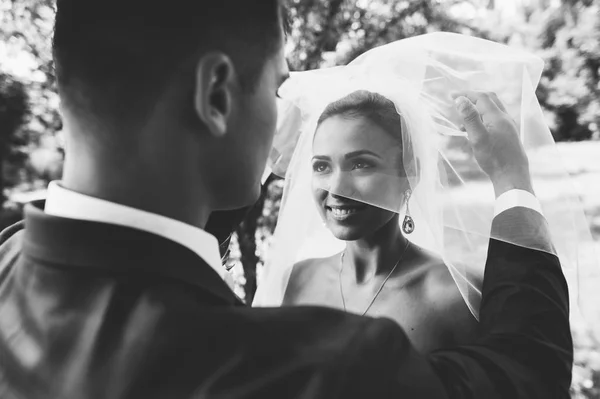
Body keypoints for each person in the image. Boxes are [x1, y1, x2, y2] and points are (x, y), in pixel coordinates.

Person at [0, 3, 571, 399]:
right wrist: (512, 181)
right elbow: (527, 372)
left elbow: (147, 258)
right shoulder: (310, 373)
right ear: (216, 94)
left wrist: (223, 170)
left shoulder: (11, 263)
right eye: (276, 88)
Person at [281, 90, 478, 354]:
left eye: (360, 165)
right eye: (322, 167)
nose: (337, 188)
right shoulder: (295, 282)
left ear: (410, 173)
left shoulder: (455, 297)